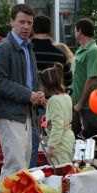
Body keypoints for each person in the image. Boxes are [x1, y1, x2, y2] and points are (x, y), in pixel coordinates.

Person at [0, 4, 44, 193]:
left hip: (25, 112)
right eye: (22, 22)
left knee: (20, 166)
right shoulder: (3, 48)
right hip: (10, 113)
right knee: (14, 164)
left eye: (29, 23)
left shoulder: (27, 47)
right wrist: (28, 94)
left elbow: (34, 77)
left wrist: (39, 91)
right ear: (11, 22)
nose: (26, 27)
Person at [29, 15, 73, 168]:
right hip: (55, 103)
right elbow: (69, 79)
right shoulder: (59, 53)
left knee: (32, 145)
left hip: (30, 103)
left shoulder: (28, 51)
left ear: (33, 28)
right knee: (56, 142)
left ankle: (32, 175)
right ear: (50, 29)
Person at [71, 18, 97, 139]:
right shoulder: (81, 49)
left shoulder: (93, 51)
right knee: (78, 139)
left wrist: (80, 103)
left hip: (89, 105)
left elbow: (91, 79)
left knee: (95, 140)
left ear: (80, 32)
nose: (74, 33)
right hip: (79, 103)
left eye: (75, 30)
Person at [40, 62, 75, 164]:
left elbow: (58, 125)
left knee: (60, 170)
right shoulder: (66, 96)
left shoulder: (53, 100)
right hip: (68, 137)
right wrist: (48, 107)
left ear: (47, 85)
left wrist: (51, 146)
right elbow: (63, 115)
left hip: (60, 143)